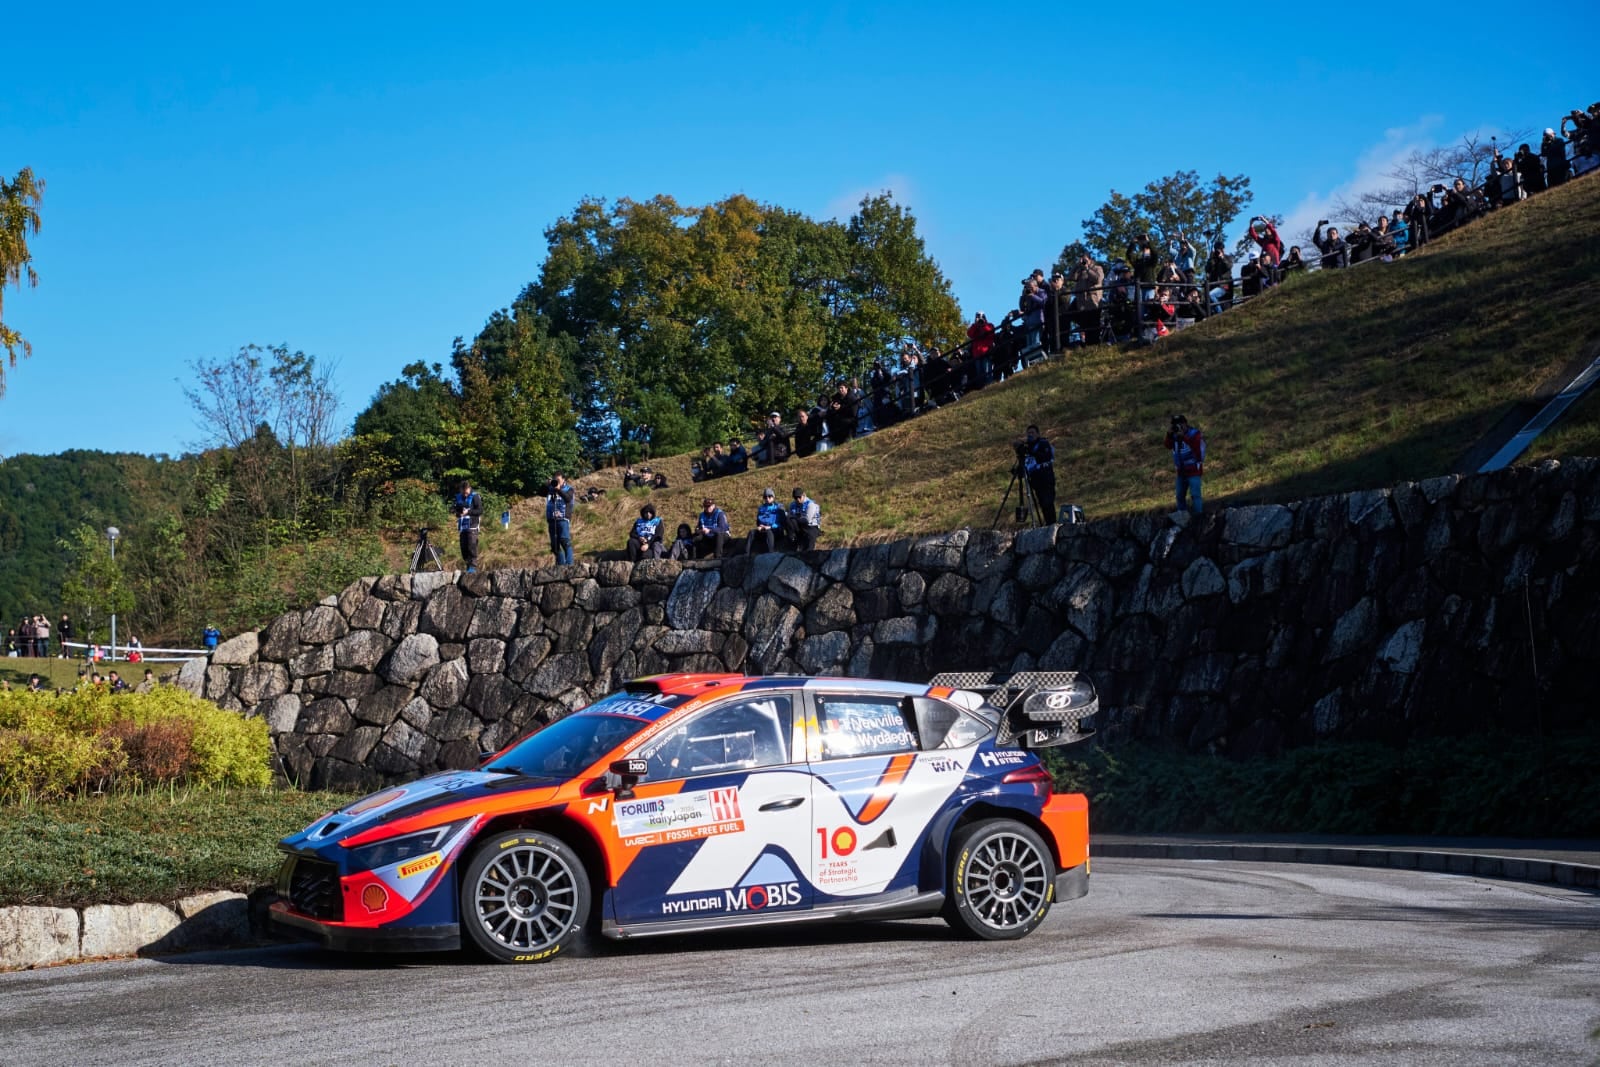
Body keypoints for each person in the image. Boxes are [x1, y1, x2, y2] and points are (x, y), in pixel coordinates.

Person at [1165, 413, 1206, 515]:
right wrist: (1169, 435)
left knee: (1195, 495)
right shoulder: (1173, 435)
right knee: (1179, 496)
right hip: (1181, 471)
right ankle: (1181, 516)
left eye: (1179, 424)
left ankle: (1199, 516)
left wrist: (1184, 437)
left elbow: (1196, 448)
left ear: (1185, 424)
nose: (1177, 427)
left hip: (1194, 470)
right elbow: (1167, 445)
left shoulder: (1194, 433)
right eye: (1174, 424)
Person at [1020, 425, 1056, 525]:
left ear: (1038, 434)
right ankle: (1047, 524)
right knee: (1042, 504)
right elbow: (1027, 463)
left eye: (1032, 433)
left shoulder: (1043, 444)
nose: (1030, 435)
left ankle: (1052, 524)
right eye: (1028, 433)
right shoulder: (1028, 448)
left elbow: (1045, 457)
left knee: (1048, 502)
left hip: (1046, 478)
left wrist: (1031, 451)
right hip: (1036, 481)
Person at [453, 479, 483, 573]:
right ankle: (467, 564)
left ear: (469, 489)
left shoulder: (475, 497)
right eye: (463, 493)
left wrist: (468, 512)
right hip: (463, 525)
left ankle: (472, 566)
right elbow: (456, 511)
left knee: (471, 545)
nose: (465, 495)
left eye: (466, 493)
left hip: (473, 524)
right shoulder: (459, 497)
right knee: (463, 547)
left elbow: (480, 511)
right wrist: (458, 513)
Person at [545, 473, 575, 566]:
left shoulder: (569, 489)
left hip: (563, 519)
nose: (556, 482)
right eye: (555, 480)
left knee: (564, 541)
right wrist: (547, 484)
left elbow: (568, 499)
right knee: (554, 546)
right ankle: (561, 565)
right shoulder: (550, 489)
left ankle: (569, 564)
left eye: (558, 480)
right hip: (551, 520)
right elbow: (539, 492)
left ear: (563, 479)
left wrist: (558, 489)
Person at [745, 488, 785, 555]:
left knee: (769, 532)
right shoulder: (761, 508)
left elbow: (783, 523)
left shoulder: (779, 507)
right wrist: (760, 526)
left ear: (773, 497)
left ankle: (771, 552)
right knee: (751, 532)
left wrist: (771, 527)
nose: (767, 498)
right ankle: (746, 554)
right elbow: (758, 521)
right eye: (765, 497)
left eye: (769, 496)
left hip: (776, 530)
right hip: (763, 529)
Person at [785, 487, 822, 552]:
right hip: (799, 525)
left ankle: (809, 553)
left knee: (810, 537)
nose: (798, 499)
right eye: (795, 498)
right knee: (788, 519)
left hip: (812, 526)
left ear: (804, 495)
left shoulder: (811, 505)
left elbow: (807, 520)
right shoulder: (792, 505)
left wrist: (794, 517)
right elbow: (789, 516)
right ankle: (793, 539)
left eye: (799, 497)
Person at [1204, 242, 1233, 315]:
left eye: (1220, 249)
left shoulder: (1227, 257)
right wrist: (1211, 259)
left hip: (1224, 286)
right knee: (1208, 296)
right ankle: (1218, 312)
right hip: (1214, 285)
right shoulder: (1213, 259)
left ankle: (1220, 313)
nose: (1219, 251)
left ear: (1223, 249)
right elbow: (1207, 269)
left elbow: (1228, 266)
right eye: (1217, 250)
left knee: (1210, 295)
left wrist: (1222, 258)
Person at [967, 312, 995, 385]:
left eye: (982, 317)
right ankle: (982, 389)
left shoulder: (989, 325)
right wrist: (976, 324)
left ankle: (990, 386)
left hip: (986, 353)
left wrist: (983, 324)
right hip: (977, 354)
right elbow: (969, 334)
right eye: (978, 317)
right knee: (979, 373)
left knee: (987, 371)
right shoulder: (975, 327)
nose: (980, 318)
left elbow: (991, 332)